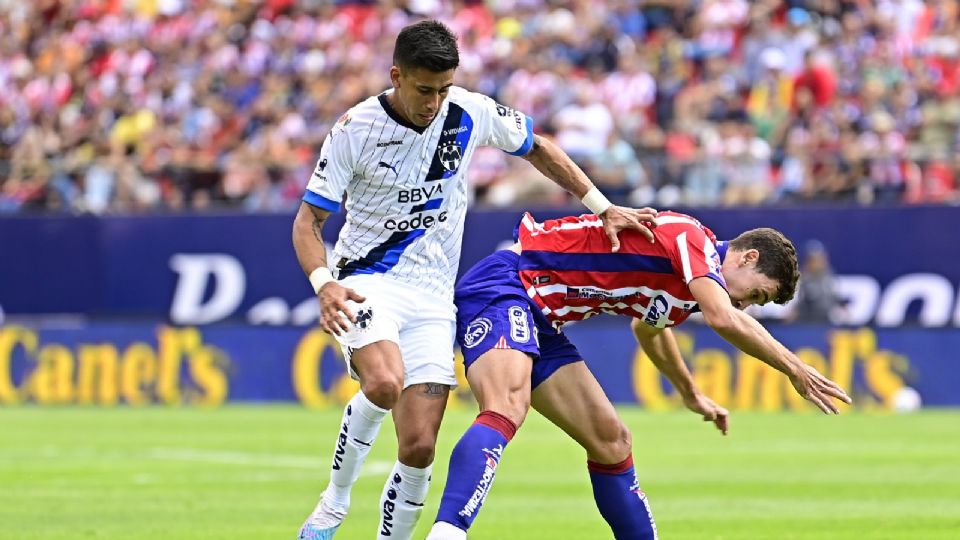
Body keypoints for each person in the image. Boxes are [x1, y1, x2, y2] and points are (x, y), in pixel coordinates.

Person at [291, 20, 658, 540]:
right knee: (385, 381)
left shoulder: (469, 111)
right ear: (397, 76)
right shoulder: (355, 129)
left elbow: (539, 147)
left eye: (442, 89)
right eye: (423, 90)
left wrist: (601, 207)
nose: (434, 102)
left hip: (436, 296)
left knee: (419, 446)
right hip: (366, 280)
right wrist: (324, 282)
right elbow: (308, 222)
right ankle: (334, 503)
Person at [426, 211, 852, 540]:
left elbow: (648, 329)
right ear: (747, 256)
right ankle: (447, 531)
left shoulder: (686, 293)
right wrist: (795, 367)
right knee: (506, 405)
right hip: (509, 284)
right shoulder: (692, 239)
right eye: (755, 294)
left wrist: (689, 392)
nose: (746, 306)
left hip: (545, 317)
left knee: (613, 441)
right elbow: (724, 318)